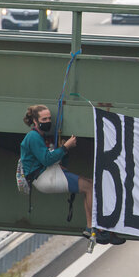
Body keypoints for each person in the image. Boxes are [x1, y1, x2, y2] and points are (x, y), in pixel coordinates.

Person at [19, 105, 125, 245]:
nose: (48, 121)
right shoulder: (33, 136)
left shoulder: (40, 137)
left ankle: (99, 228)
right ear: (35, 120)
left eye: (49, 118)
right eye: (44, 119)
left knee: (91, 185)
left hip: (48, 174)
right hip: (44, 178)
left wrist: (63, 150)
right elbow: (46, 159)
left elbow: (55, 159)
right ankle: (93, 227)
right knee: (89, 188)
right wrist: (65, 147)